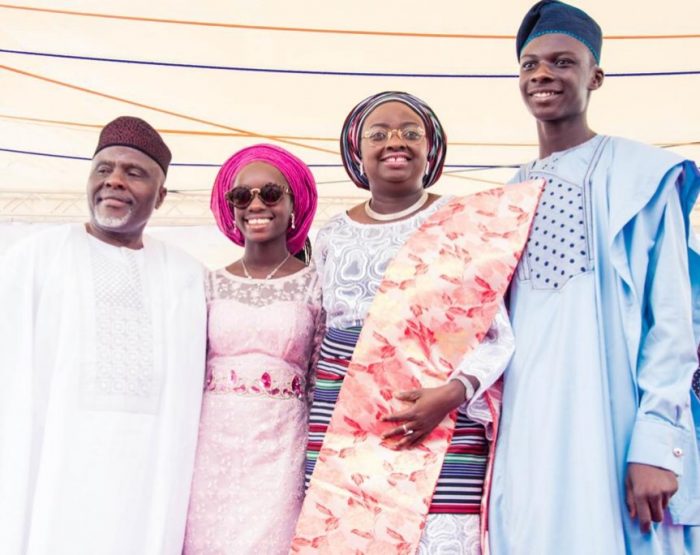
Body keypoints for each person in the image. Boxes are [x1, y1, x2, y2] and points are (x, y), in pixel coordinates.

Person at [488, 2, 700, 554]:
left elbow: (672, 320)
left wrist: (657, 441)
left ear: (595, 76)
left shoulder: (642, 174)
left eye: (562, 61)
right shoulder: (504, 197)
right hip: (526, 429)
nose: (542, 74)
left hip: (614, 424)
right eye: (530, 64)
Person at [292, 92, 541, 554]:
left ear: (431, 149)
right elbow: (322, 334)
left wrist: (452, 394)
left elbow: (496, 334)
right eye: (379, 134)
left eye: (411, 133)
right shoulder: (332, 235)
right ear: (357, 151)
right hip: (345, 428)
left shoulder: (465, 222)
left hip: (441, 420)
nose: (395, 142)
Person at [0, 116, 207, 554]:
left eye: (134, 172)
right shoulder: (34, 259)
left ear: (161, 196)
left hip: (147, 479)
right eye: (103, 169)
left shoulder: (188, 278)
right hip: (51, 472)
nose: (114, 180)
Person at [183, 144, 324, 554]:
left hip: (282, 451)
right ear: (230, 208)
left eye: (272, 193)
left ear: (294, 203)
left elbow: (320, 378)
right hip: (209, 450)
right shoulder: (206, 283)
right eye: (242, 196)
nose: (256, 205)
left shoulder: (317, 285)